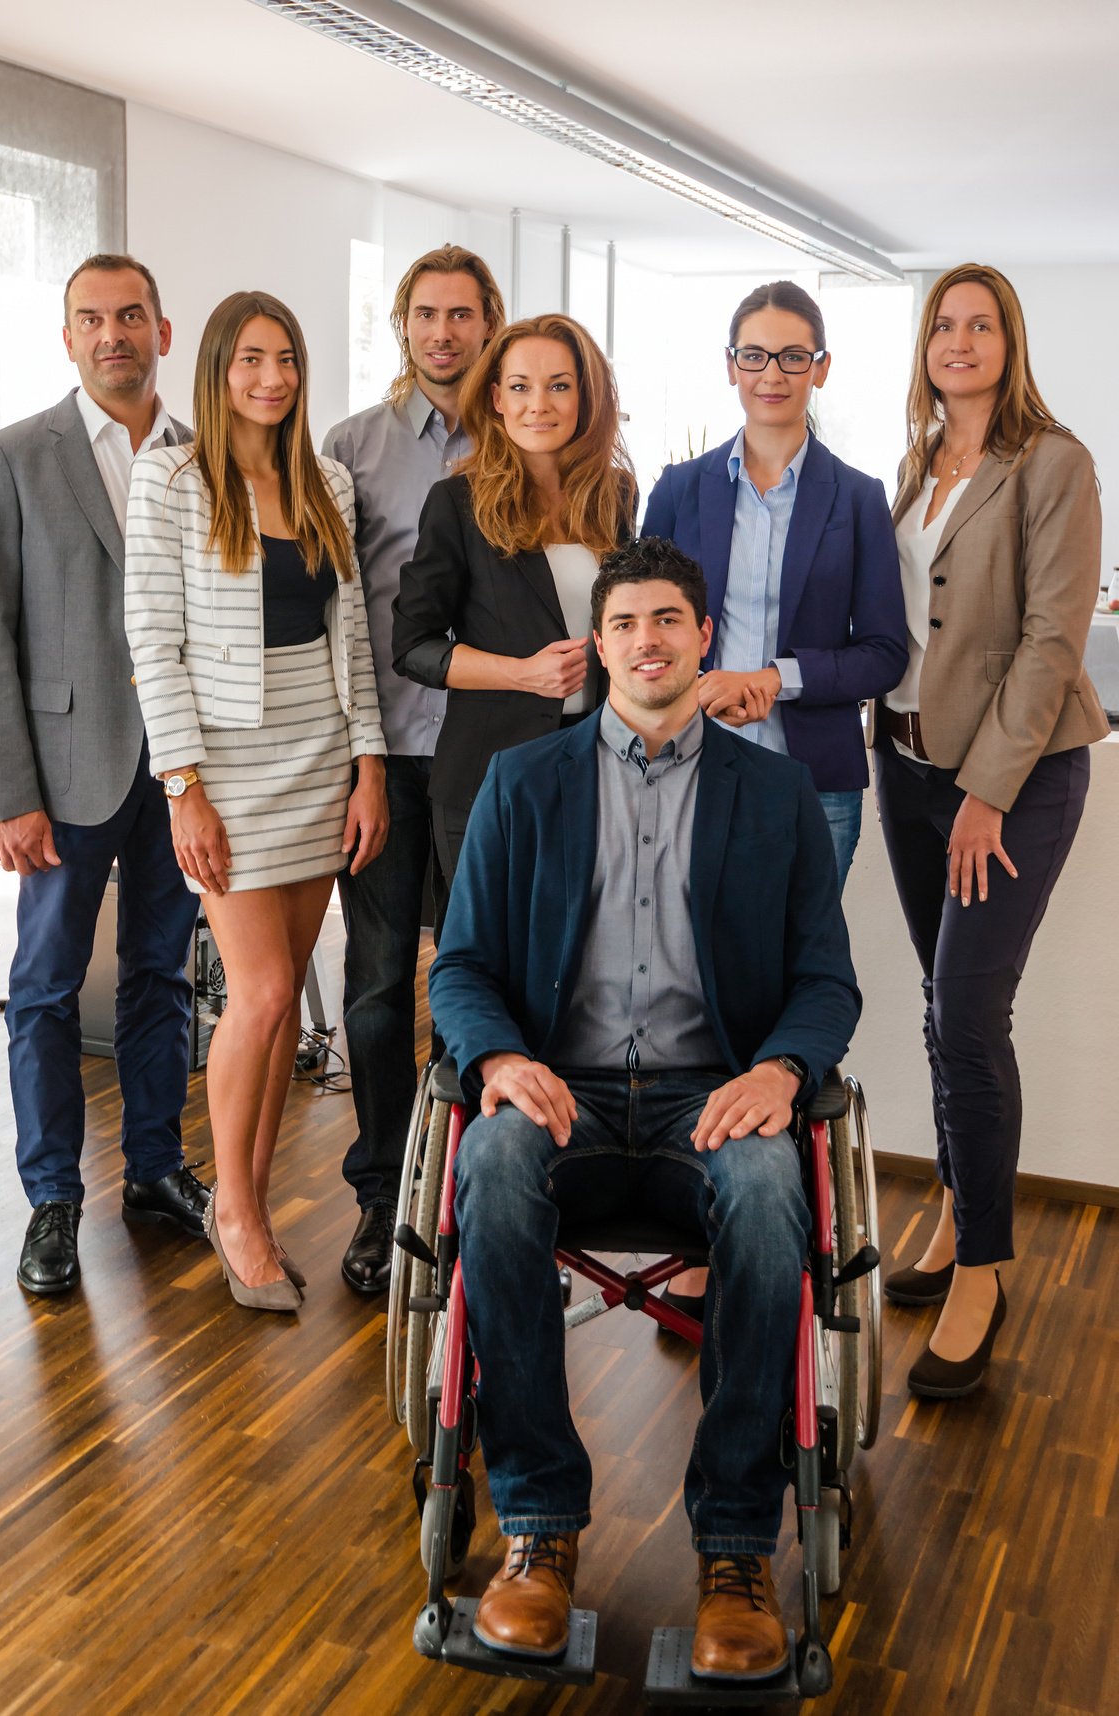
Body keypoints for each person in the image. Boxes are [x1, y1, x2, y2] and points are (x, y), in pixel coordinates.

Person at [428, 536, 860, 1679]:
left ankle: (732, 1547)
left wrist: (780, 1075)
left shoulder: (771, 795)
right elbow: (461, 966)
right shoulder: (526, 783)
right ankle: (538, 1527)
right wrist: (497, 1061)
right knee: (492, 1170)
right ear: (599, 643)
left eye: (668, 620)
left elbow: (826, 980)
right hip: (558, 1090)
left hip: (705, 1098)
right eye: (624, 624)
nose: (647, 642)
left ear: (703, 636)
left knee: (773, 1196)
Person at [125, 291, 387, 1313]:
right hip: (226, 768)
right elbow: (153, 639)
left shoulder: (325, 481)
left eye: (285, 358)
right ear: (219, 370)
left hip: (316, 756)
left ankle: (256, 1203)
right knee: (266, 992)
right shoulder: (175, 478)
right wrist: (181, 788)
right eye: (250, 359)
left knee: (281, 1019)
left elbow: (352, 640)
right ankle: (232, 1209)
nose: (270, 377)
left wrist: (368, 765)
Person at [875, 263, 1108, 1397]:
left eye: (980, 324)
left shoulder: (1054, 462)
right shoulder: (918, 466)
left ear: (1010, 342)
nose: (959, 341)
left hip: (1011, 778)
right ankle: (965, 1223)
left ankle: (983, 1267)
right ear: (923, 346)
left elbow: (1055, 637)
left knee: (969, 1014)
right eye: (943, 325)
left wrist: (988, 789)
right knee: (939, 1007)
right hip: (906, 766)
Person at [0, 253, 206, 1297]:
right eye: (91, 319)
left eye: (131, 316)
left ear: (163, 328)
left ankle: (152, 1169)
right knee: (45, 988)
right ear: (68, 337)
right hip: (63, 775)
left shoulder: (209, 457)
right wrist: (6, 793)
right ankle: (51, 1198)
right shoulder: (16, 455)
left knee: (163, 974)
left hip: (185, 773)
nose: (113, 334)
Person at [322, 244, 503, 1296]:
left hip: (497, 765)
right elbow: (342, 616)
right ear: (402, 325)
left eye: (462, 316)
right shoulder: (351, 448)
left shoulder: (531, 433)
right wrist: (358, 761)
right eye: (425, 315)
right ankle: (383, 1199)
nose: (444, 333)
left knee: (488, 981)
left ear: (490, 323)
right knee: (382, 991)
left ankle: (480, 1191)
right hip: (387, 756)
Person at [643, 279, 906, 891]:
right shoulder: (679, 490)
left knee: (799, 966)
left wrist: (773, 679)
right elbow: (642, 629)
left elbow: (883, 654)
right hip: (689, 761)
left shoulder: (860, 499)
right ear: (731, 365)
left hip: (815, 780)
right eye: (754, 355)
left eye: (794, 357)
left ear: (821, 368)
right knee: (689, 959)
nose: (772, 374)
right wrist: (699, 687)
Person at [392, 311, 637, 883]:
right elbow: (414, 647)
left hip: (597, 766)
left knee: (579, 956)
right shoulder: (457, 502)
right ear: (497, 397)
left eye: (559, 386)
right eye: (521, 387)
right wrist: (522, 674)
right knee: (485, 963)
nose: (539, 405)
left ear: (586, 397)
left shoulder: (615, 497)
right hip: (488, 774)